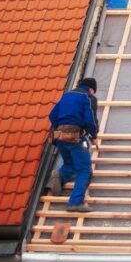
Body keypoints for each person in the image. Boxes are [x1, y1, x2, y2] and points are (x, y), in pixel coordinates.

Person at [48, 77, 99, 212]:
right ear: (91, 89)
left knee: (70, 164)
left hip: (59, 137)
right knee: (85, 170)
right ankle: (75, 203)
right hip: (75, 138)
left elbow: (52, 115)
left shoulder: (66, 96)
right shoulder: (86, 97)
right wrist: (93, 136)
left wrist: (60, 127)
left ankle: (60, 177)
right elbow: (90, 120)